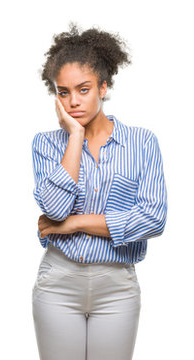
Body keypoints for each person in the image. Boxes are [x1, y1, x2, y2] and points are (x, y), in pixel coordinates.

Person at [31, 25, 166, 360]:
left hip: (117, 284)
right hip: (58, 282)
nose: (73, 101)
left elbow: (152, 219)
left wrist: (76, 224)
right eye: (63, 92)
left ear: (103, 87)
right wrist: (74, 136)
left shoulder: (142, 142)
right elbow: (56, 208)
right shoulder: (46, 144)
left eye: (83, 89)